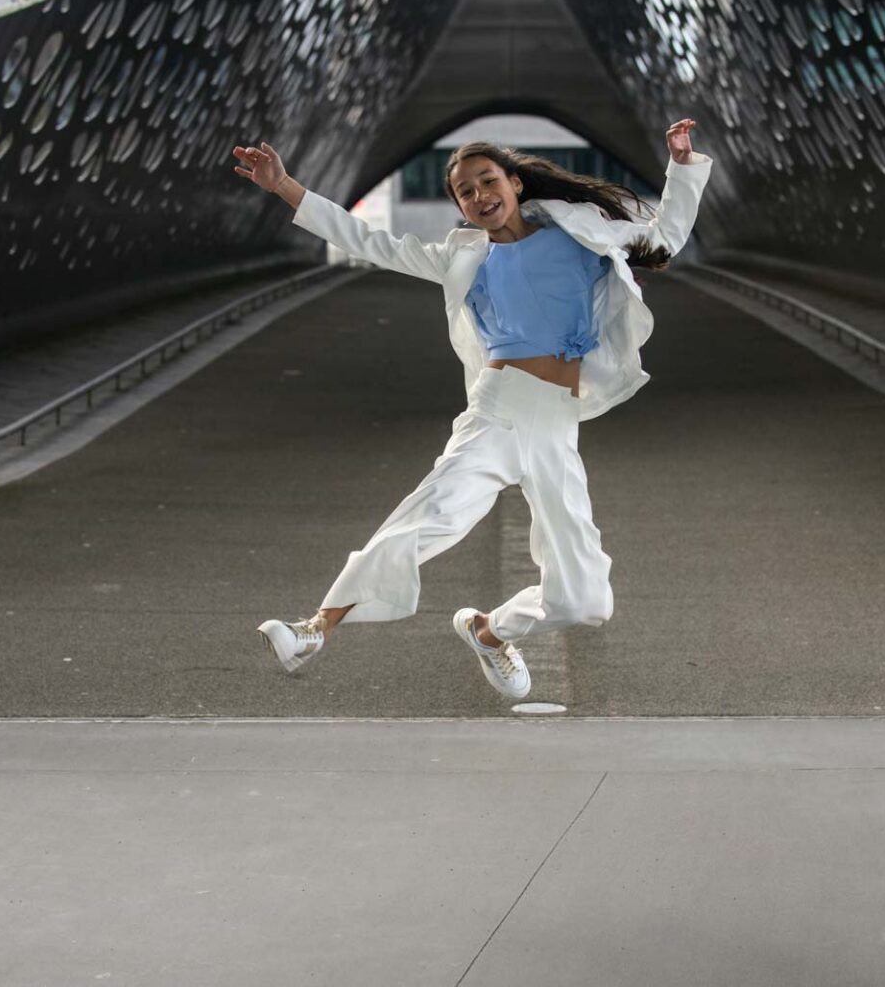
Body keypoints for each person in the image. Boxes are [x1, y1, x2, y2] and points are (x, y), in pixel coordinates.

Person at [232, 120, 712, 700]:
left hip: (557, 423)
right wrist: (286, 187)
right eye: (465, 191)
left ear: (514, 182)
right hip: (498, 412)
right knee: (429, 516)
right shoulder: (464, 258)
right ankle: (314, 629)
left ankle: (489, 632)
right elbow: (368, 241)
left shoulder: (579, 234)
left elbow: (664, 239)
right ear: (459, 204)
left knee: (586, 600)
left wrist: (681, 165)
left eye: (488, 182)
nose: (480, 196)